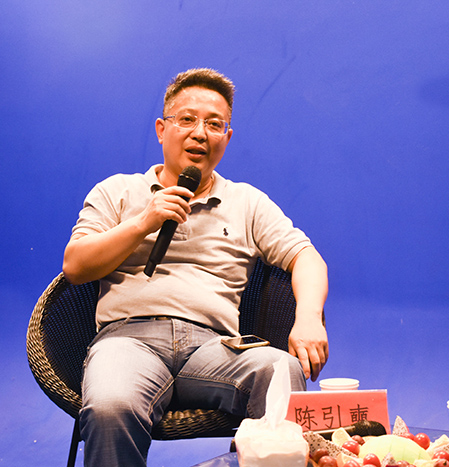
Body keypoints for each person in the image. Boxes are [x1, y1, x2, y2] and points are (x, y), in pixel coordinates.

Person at [62, 68, 328, 467]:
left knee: (281, 371)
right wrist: (143, 222)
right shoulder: (117, 191)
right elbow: (75, 266)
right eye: (187, 119)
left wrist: (308, 318)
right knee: (111, 405)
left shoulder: (246, 202)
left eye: (214, 124)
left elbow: (306, 257)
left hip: (216, 349)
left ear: (227, 138)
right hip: (129, 341)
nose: (200, 133)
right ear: (161, 130)